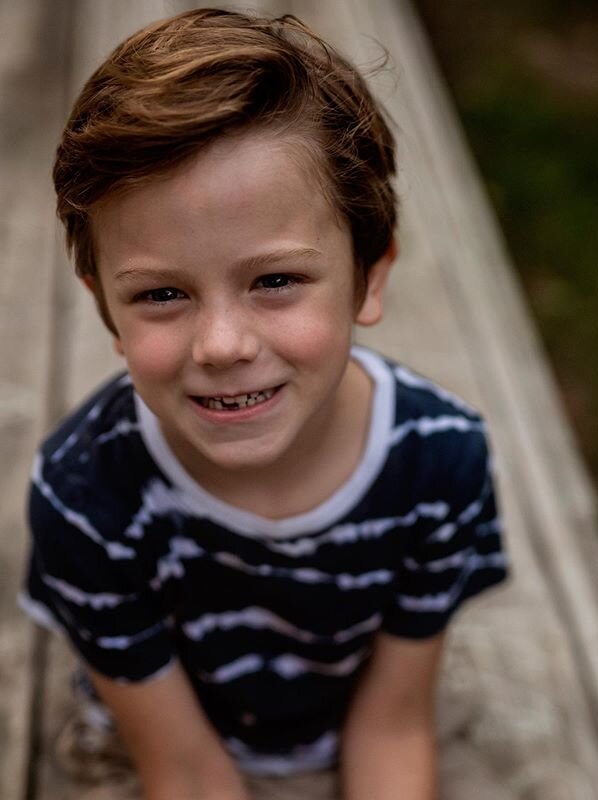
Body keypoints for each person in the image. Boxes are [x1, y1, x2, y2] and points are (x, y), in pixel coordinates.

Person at [19, 8, 508, 800]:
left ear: (370, 275)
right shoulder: (85, 498)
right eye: (162, 293)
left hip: (358, 723)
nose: (221, 344)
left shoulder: (439, 458)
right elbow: (182, 769)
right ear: (106, 308)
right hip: (164, 747)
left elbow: (392, 726)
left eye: (274, 280)